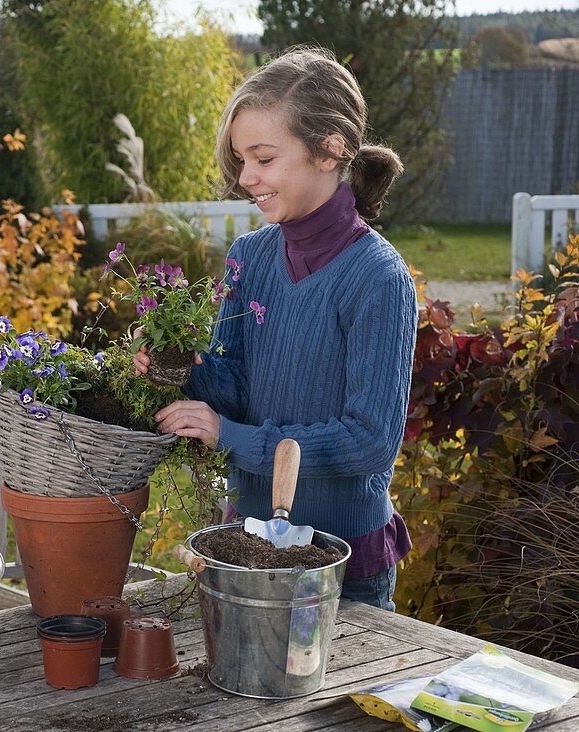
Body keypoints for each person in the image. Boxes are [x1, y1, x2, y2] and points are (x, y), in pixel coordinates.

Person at [135, 47, 416, 611]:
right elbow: (236, 389)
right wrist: (185, 367)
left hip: (339, 567)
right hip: (252, 551)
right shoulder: (252, 255)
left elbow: (369, 441)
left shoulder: (377, 277)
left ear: (329, 150)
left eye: (263, 158)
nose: (246, 178)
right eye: (241, 160)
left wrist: (233, 438)